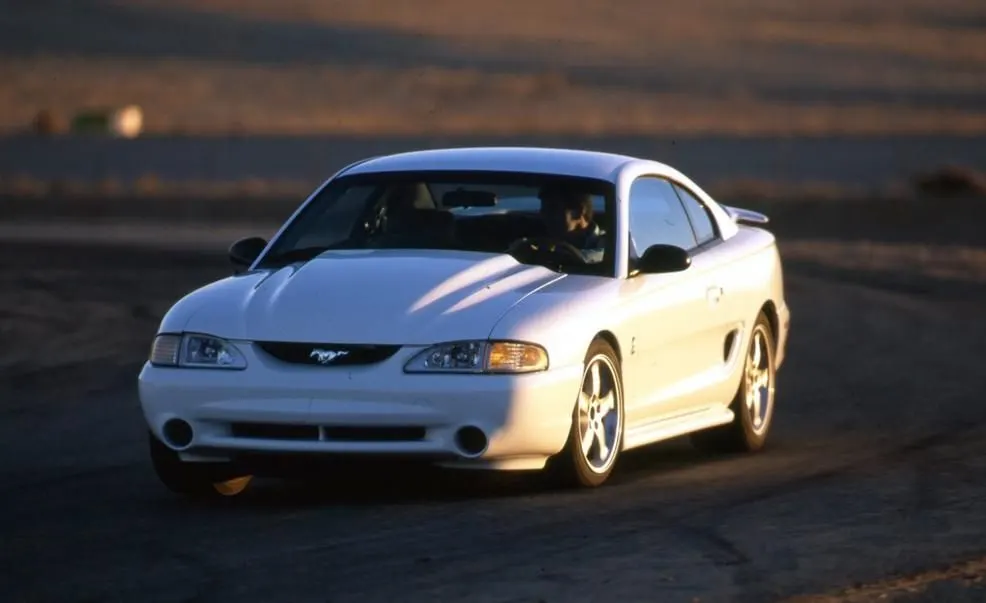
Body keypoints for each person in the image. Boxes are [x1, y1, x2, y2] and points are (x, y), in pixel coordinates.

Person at [537, 182, 607, 263]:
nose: (544, 215)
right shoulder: (543, 241)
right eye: (543, 210)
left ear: (578, 212)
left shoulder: (611, 245)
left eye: (553, 209)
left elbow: (600, 257)